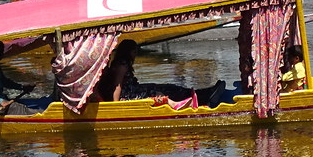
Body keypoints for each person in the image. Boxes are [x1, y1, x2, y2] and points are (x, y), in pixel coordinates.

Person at [93, 40, 225, 107]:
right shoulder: (121, 64)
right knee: (161, 92)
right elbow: (117, 85)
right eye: (134, 51)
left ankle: (200, 94)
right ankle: (198, 99)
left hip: (134, 90)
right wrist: (115, 106)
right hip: (128, 96)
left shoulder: (123, 63)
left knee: (167, 87)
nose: (135, 54)